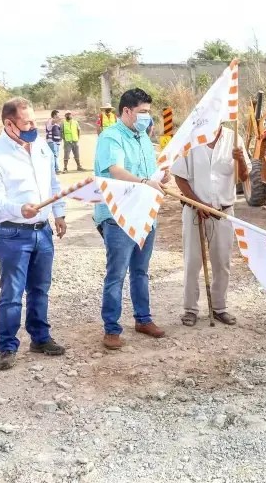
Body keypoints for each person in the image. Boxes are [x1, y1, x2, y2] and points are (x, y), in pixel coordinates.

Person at [0, 97, 68, 370]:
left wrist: (59, 213)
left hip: (43, 231)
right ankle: (7, 346)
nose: (32, 126)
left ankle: (40, 337)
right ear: (9, 123)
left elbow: (53, 181)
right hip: (12, 233)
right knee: (12, 292)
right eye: (26, 122)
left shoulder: (41, 146)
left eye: (34, 121)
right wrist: (19, 209)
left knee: (40, 288)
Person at [94, 88, 170, 350]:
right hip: (119, 215)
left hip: (145, 214)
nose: (147, 118)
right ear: (126, 111)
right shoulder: (111, 137)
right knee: (116, 274)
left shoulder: (143, 138)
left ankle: (143, 318)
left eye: (149, 112)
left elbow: (148, 174)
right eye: (142, 112)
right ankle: (111, 329)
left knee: (141, 271)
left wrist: (160, 179)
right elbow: (115, 170)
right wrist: (144, 182)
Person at [172, 126, 251, 327]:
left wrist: (240, 159)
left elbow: (244, 176)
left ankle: (219, 308)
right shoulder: (191, 138)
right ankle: (190, 309)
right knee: (192, 262)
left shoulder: (234, 138)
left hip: (223, 212)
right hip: (194, 211)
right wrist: (198, 203)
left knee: (222, 262)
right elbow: (179, 176)